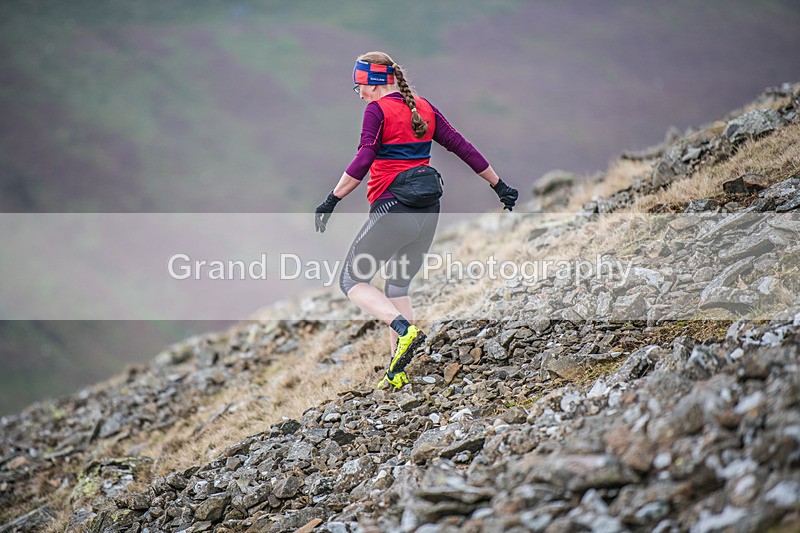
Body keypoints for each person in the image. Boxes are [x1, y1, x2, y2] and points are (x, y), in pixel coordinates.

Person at [315, 51, 518, 389]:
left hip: (393, 209)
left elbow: (365, 156)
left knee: (352, 281)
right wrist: (500, 186)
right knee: (397, 286)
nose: (359, 93)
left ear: (374, 82)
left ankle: (403, 329)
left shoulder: (376, 110)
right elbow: (462, 147)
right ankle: (396, 373)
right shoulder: (423, 107)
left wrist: (331, 199)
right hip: (428, 213)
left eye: (359, 86)